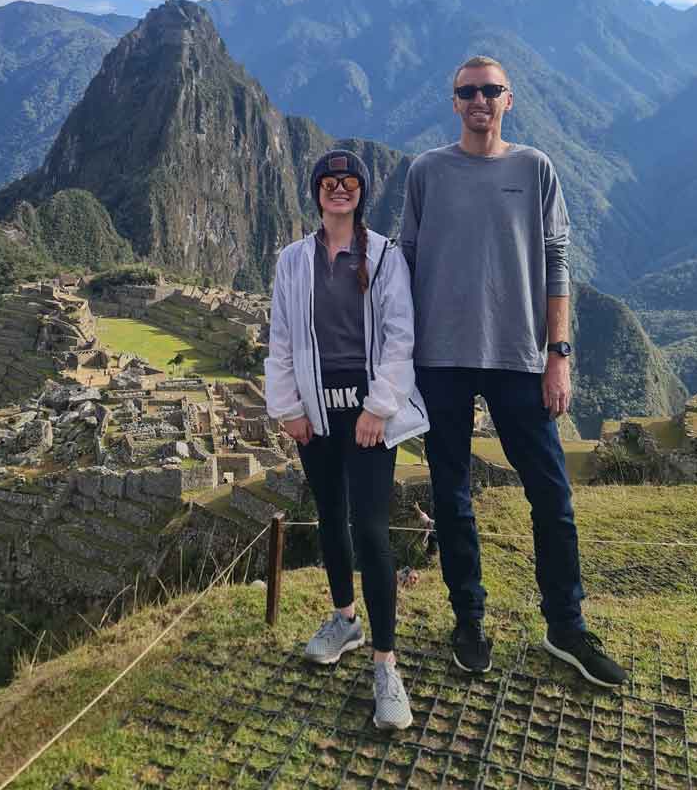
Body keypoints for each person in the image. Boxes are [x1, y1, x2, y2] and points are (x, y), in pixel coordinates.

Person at [400, 56, 626, 688]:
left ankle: (566, 626)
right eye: (468, 91)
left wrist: (560, 355)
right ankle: (469, 621)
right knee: (452, 496)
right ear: (453, 101)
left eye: (490, 90)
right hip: (439, 358)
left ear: (509, 99)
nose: (479, 99)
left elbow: (557, 262)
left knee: (551, 494)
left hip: (519, 357)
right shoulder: (426, 172)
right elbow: (406, 262)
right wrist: (396, 356)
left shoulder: (534, 168)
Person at [265, 149, 430, 729]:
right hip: (314, 413)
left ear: (362, 192)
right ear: (316, 192)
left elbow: (400, 337)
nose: (339, 189)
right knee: (330, 517)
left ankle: (386, 664)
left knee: (372, 530)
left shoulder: (383, 256)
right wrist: (288, 408)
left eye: (349, 182)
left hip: (367, 415)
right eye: (330, 182)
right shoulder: (292, 260)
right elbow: (281, 337)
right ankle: (344, 619)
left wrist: (378, 407)